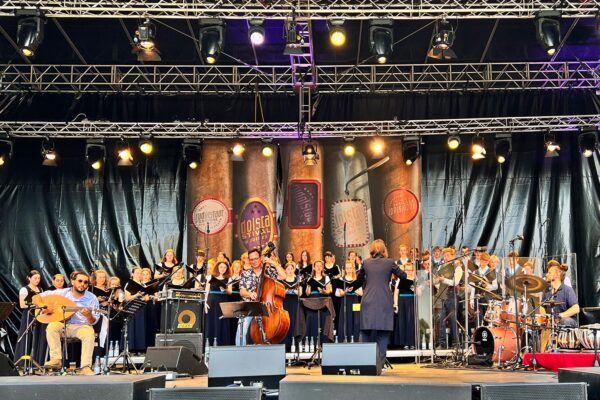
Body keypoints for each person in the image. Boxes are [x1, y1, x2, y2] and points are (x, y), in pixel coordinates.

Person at [35, 271, 99, 375]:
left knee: (89, 333)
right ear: (73, 281)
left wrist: (88, 315)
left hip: (81, 326)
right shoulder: (62, 292)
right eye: (80, 281)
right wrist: (43, 306)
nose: (83, 284)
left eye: (86, 282)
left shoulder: (92, 298)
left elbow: (94, 321)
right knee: (52, 326)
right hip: (63, 324)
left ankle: (85, 367)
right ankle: (56, 359)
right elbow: (36, 297)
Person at [358, 239, 407, 367]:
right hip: (384, 300)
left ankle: (364, 363)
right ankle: (379, 364)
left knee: (365, 331)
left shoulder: (366, 262)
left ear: (372, 249)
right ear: (384, 249)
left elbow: (359, 279)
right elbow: (404, 276)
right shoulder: (390, 262)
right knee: (383, 333)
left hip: (368, 299)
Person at [238, 248, 286, 345]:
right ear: (249, 260)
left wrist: (274, 263)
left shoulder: (269, 271)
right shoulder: (245, 273)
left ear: (260, 258)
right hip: (250, 307)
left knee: (270, 331)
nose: (254, 261)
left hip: (266, 307)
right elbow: (242, 291)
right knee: (241, 330)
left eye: (256, 258)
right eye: (251, 259)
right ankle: (240, 352)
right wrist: (249, 294)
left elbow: (283, 276)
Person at [14, 270, 47, 367]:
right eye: (35, 278)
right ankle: (22, 362)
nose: (37, 280)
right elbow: (22, 305)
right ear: (29, 278)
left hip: (40, 315)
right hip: (29, 314)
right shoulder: (24, 289)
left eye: (39, 278)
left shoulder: (41, 290)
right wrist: (36, 304)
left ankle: (37, 362)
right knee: (27, 335)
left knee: (38, 336)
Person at [541, 263, 579, 327]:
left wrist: (560, 316)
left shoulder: (567, 290)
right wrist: (545, 318)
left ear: (557, 274)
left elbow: (576, 308)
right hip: (551, 321)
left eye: (549, 273)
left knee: (564, 321)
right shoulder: (547, 290)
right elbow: (542, 306)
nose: (547, 275)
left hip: (567, 320)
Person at [305, 260, 333, 345]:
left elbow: (329, 290)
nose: (318, 267)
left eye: (320, 266)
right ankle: (311, 343)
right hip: (312, 302)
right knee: (312, 320)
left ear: (322, 267)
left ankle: (323, 342)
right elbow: (307, 293)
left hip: (322, 301)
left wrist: (323, 291)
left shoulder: (326, 278)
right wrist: (309, 286)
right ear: (314, 267)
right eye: (317, 266)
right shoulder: (310, 278)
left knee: (323, 321)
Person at [205, 260, 233, 346]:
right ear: (217, 267)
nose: (223, 269)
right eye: (221, 267)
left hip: (223, 302)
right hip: (211, 302)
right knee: (211, 322)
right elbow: (206, 291)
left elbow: (230, 292)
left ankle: (222, 345)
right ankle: (209, 345)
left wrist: (225, 289)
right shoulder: (210, 277)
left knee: (222, 323)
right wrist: (205, 303)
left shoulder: (229, 278)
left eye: (225, 267)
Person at [334, 260, 362, 343]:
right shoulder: (341, 279)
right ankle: (344, 339)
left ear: (353, 269)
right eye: (347, 268)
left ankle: (356, 339)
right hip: (345, 300)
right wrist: (346, 291)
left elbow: (361, 293)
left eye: (350, 268)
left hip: (355, 301)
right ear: (345, 269)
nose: (349, 270)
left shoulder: (356, 279)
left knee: (356, 319)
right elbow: (338, 294)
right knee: (345, 319)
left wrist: (354, 289)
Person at [280, 261, 302, 351]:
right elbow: (279, 293)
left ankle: (295, 344)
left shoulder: (298, 279)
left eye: (291, 268)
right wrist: (284, 292)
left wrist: (296, 292)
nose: (290, 270)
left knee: (294, 322)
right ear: (285, 270)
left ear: (294, 269)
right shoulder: (282, 279)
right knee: (285, 322)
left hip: (294, 303)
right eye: (288, 269)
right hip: (285, 303)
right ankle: (285, 344)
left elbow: (301, 292)